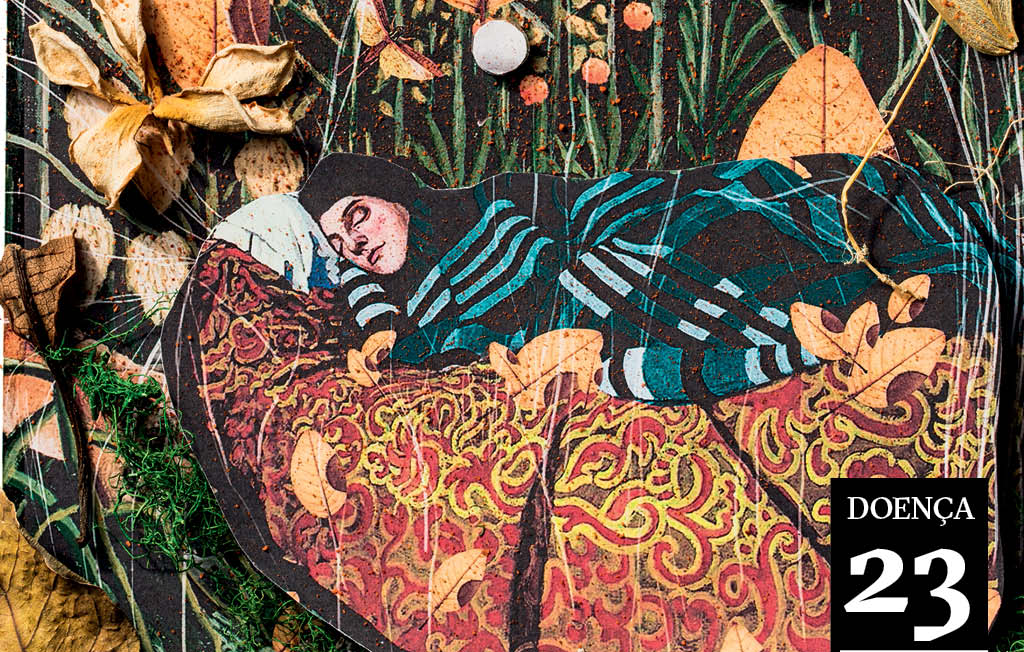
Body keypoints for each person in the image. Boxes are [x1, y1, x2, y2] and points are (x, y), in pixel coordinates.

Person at [200, 152, 995, 406]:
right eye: (343, 244)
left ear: (391, 194)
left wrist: (627, 226)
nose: (361, 244)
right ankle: (842, 327)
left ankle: (892, 287)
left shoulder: (492, 200)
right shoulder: (410, 312)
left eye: (361, 215)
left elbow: (582, 206)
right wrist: (378, 318)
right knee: (614, 300)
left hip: (611, 246)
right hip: (587, 323)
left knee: (707, 216)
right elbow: (386, 311)